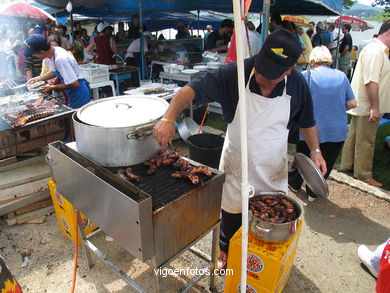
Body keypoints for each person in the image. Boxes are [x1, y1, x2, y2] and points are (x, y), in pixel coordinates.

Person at [153, 29, 327, 269]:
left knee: (271, 219)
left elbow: (308, 122)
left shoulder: (297, 85)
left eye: (272, 76)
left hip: (272, 166)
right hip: (237, 162)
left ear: (289, 70)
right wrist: (168, 118)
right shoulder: (235, 74)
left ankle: (260, 260)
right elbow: (190, 90)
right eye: (262, 70)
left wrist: (315, 151)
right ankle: (225, 250)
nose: (263, 78)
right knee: (232, 213)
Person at [288, 46, 356, 201]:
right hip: (336, 130)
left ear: (312, 60)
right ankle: (314, 192)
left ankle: (295, 183)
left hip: (310, 129)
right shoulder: (341, 76)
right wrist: (336, 107)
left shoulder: (305, 76)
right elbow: (352, 103)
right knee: (327, 161)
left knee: (303, 159)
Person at [339, 21, 390, 187]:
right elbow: (371, 82)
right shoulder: (376, 51)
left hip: (363, 104)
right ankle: (363, 174)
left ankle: (347, 167)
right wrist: (375, 107)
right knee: (366, 141)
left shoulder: (374, 49)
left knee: (354, 137)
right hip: (369, 106)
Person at [25, 34, 91, 109]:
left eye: (34, 54)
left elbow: (75, 83)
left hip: (79, 93)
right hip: (72, 92)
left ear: (41, 51)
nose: (33, 55)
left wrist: (52, 87)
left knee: (77, 118)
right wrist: (38, 78)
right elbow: (54, 71)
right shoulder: (54, 51)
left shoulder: (60, 59)